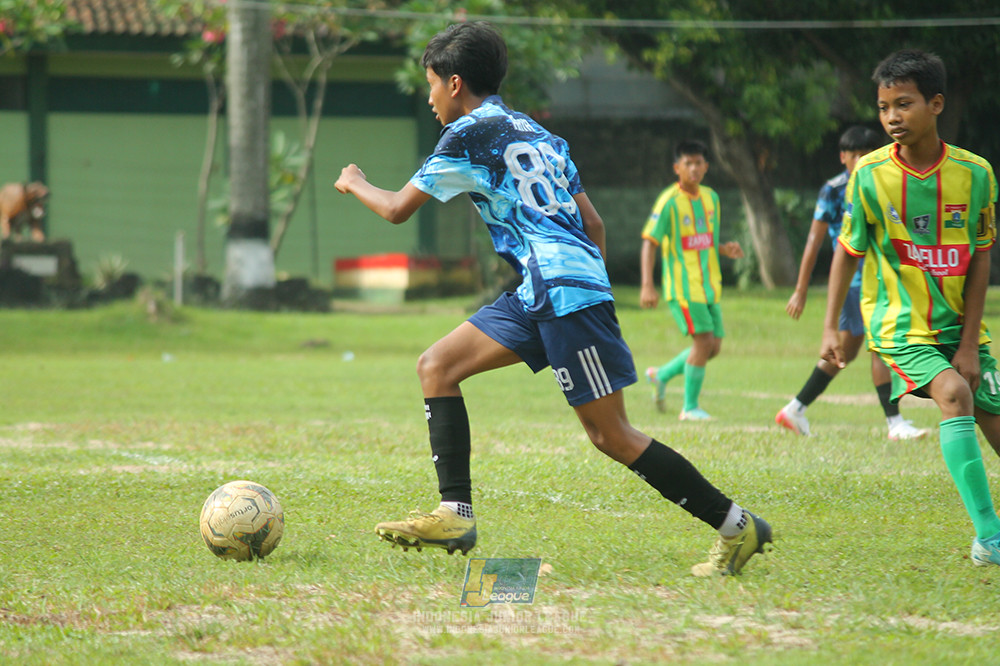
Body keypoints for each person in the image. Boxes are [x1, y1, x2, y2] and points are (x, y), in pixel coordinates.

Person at [334, 22, 771, 577]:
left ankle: (738, 525)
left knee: (610, 435)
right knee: (437, 366)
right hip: (541, 288)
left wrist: (353, 180)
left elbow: (397, 208)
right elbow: (592, 221)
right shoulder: (540, 134)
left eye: (431, 85)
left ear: (455, 82)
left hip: (562, 291)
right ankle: (454, 512)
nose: (429, 98)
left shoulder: (468, 133)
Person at [821, 48, 1000, 567]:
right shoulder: (871, 175)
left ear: (936, 104)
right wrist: (830, 327)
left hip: (958, 326)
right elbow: (847, 253)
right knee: (953, 393)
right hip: (899, 326)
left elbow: (981, 259)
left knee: (990, 415)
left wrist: (969, 344)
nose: (892, 117)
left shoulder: (977, 174)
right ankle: (989, 537)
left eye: (905, 104)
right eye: (883, 107)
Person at [776, 126, 928, 440]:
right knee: (879, 346)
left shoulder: (887, 182)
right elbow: (813, 242)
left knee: (847, 351)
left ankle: (795, 408)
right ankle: (895, 422)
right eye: (853, 154)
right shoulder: (834, 190)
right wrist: (801, 290)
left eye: (865, 154)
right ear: (843, 156)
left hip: (882, 277)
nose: (859, 161)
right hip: (854, 282)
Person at [639, 140, 743, 420]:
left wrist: (723, 249)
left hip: (710, 286)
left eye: (699, 163)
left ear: (706, 167)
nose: (694, 168)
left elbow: (706, 238)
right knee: (703, 343)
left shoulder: (712, 198)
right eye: (688, 163)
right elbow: (650, 242)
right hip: (684, 288)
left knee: (713, 347)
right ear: (677, 168)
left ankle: (661, 375)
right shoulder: (669, 201)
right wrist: (648, 284)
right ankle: (690, 407)